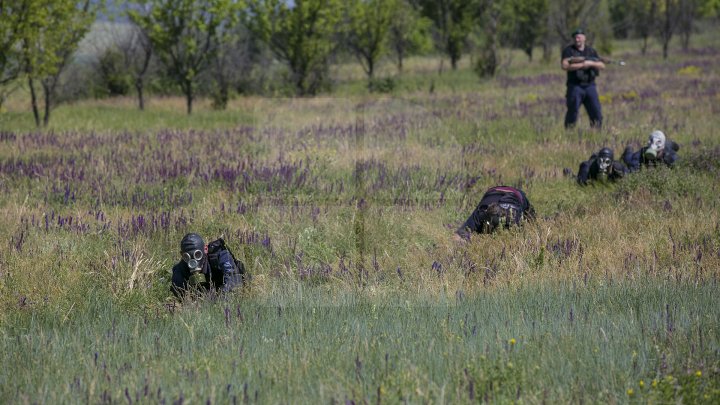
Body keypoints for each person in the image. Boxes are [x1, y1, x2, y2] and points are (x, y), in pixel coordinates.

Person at [171, 233, 247, 299]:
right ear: (182, 255)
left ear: (205, 249)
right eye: (187, 257)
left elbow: (234, 279)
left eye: (197, 255)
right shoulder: (180, 270)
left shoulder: (219, 256)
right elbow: (182, 298)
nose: (193, 261)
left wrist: (221, 296)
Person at [455, 186, 535, 241]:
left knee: (533, 223)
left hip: (517, 195)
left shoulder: (514, 219)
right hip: (493, 193)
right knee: (480, 232)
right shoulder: (481, 212)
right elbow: (459, 235)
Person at [561, 28, 605, 129]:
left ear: (584, 38)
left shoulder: (591, 51)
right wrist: (582, 65)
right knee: (573, 110)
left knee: (596, 110)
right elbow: (564, 65)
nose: (577, 39)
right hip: (575, 86)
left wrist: (590, 64)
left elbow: (602, 65)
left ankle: (596, 132)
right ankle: (569, 132)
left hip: (590, 85)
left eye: (579, 37)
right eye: (575, 37)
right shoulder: (569, 51)